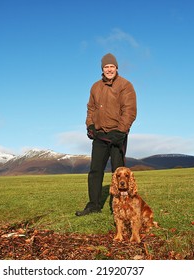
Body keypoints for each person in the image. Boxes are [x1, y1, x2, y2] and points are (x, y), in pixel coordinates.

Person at [76, 53, 137, 216]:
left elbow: (129, 110)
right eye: (106, 67)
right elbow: (91, 108)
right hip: (100, 135)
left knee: (119, 173)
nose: (109, 69)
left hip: (117, 135)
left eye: (112, 66)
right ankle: (93, 205)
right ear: (102, 69)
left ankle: (121, 207)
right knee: (95, 171)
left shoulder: (125, 85)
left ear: (116, 68)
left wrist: (121, 131)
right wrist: (90, 125)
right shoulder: (95, 87)